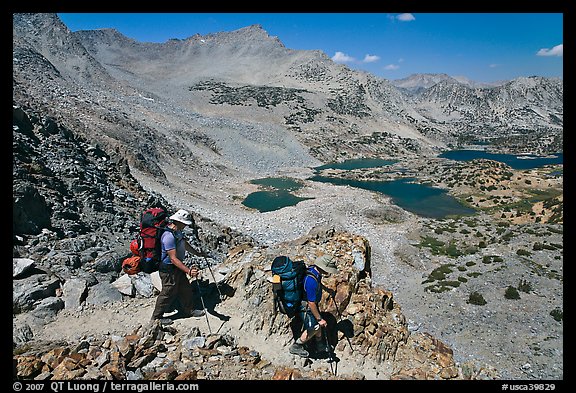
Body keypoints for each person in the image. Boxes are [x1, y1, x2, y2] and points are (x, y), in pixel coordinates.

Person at [151, 209, 206, 325]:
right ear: (178, 221)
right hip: (168, 269)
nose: (186, 225)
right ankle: (156, 317)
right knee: (168, 292)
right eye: (184, 223)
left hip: (176, 267)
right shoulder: (168, 236)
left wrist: (197, 253)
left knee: (185, 288)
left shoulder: (177, 232)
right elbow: (173, 259)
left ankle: (188, 310)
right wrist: (189, 271)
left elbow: (184, 244)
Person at [289, 254, 339, 357]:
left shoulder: (314, 270)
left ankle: (319, 346)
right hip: (305, 307)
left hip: (308, 304)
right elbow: (311, 303)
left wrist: (326, 289)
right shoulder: (311, 281)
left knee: (317, 325)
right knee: (315, 327)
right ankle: (297, 346)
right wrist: (320, 319)